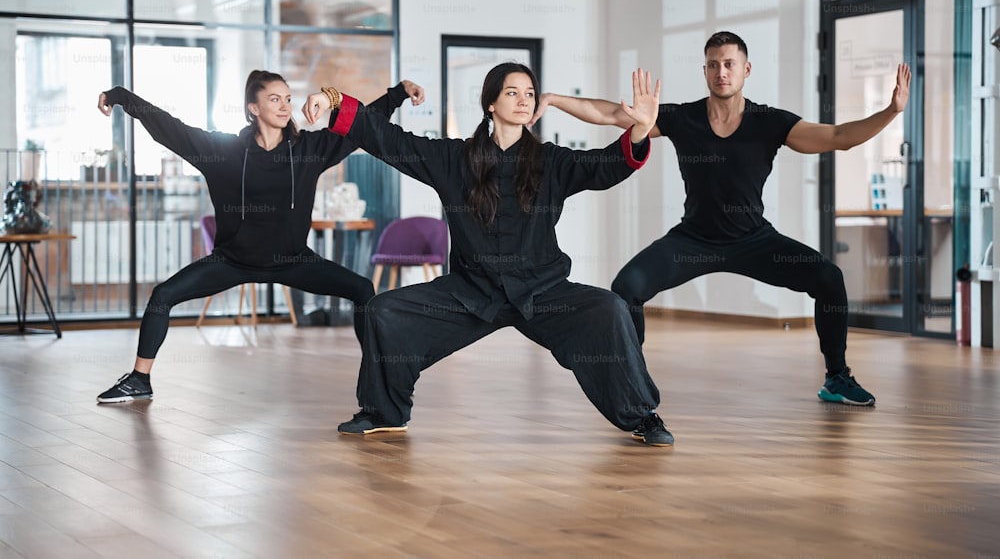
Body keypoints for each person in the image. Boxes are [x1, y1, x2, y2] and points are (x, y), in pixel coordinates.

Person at [302, 62, 674, 446]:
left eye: (529, 94)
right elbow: (391, 140)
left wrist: (641, 129)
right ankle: (383, 413)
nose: (524, 100)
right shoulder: (453, 159)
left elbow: (607, 167)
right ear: (491, 103)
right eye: (512, 92)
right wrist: (333, 101)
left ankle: (643, 416)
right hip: (470, 292)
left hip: (543, 291)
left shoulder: (552, 161)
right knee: (384, 311)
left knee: (609, 309)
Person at [535, 31, 911, 407]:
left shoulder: (769, 122)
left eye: (729, 64)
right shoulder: (684, 117)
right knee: (627, 286)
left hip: (754, 242)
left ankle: (837, 377)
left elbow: (838, 136)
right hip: (693, 241)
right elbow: (613, 114)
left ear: (746, 69)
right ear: (705, 70)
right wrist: (552, 99)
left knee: (830, 278)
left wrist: (891, 112)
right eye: (714, 64)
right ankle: (632, 382)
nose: (722, 72)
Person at [94, 70, 424, 403]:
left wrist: (396, 94)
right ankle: (139, 380)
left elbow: (357, 129)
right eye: (274, 99)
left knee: (362, 289)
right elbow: (168, 128)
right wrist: (121, 95)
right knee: (163, 296)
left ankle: (376, 385)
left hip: (293, 260)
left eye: (288, 99)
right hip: (233, 261)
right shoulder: (222, 151)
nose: (285, 107)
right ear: (253, 107)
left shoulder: (309, 149)